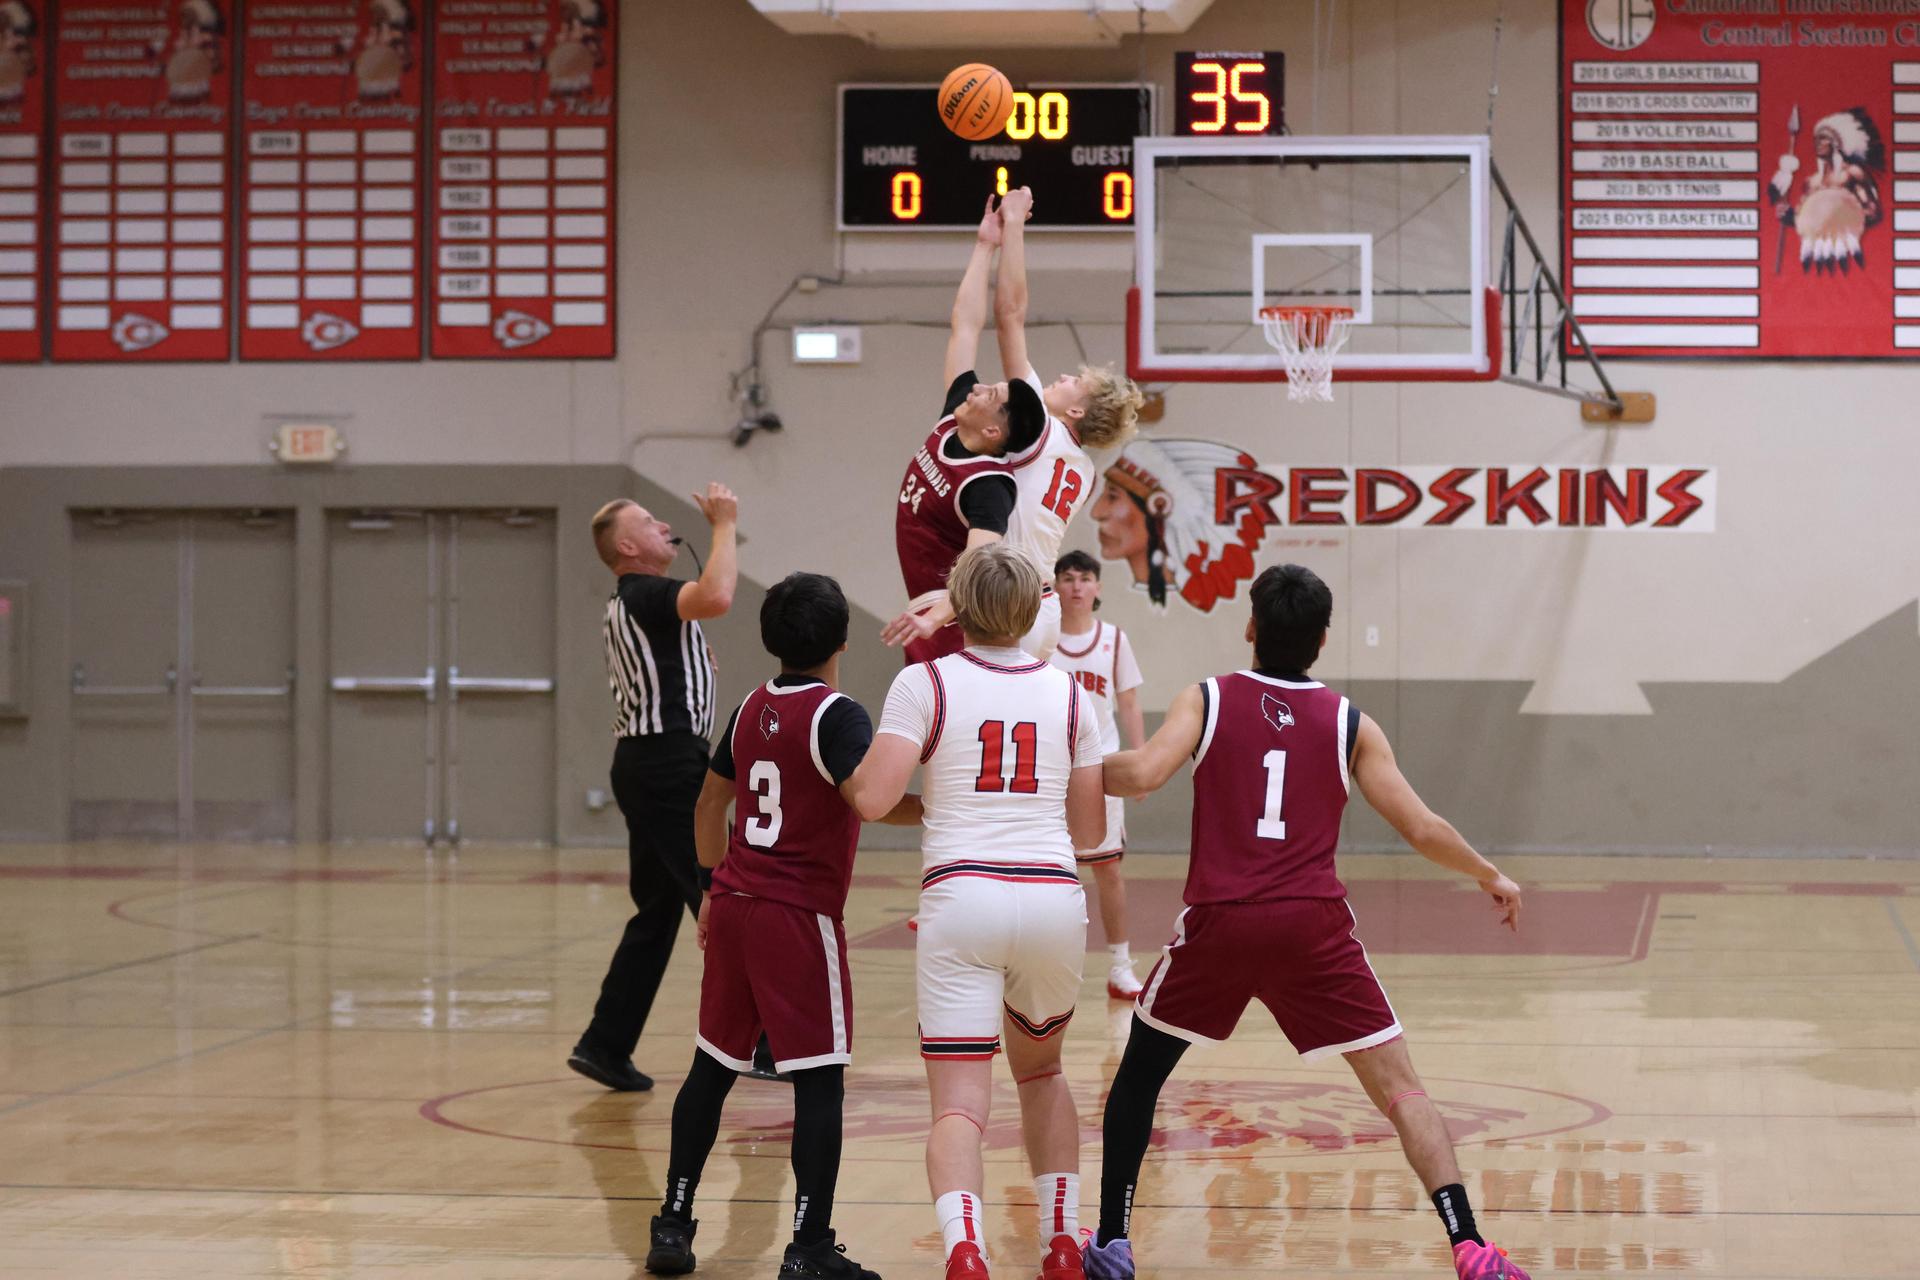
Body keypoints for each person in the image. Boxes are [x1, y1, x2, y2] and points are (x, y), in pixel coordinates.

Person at [1087, 564, 1533, 1280]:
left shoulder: (1207, 697)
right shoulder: (1351, 723)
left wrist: (1052, 761)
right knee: (1403, 1091)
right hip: (1312, 928)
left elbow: (1139, 774)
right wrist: (1489, 873)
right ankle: (1469, 1244)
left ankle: (1112, 1242)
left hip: (1221, 924)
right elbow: (1420, 825)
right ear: (1322, 640)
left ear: (1251, 626)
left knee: (1138, 1080)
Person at [645, 572, 918, 1280]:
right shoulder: (838, 715)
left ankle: (673, 1223)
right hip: (797, 917)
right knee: (820, 1082)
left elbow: (709, 805)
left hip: (736, 903)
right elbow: (871, 800)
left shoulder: (747, 708)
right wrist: (944, 804)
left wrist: (710, 887)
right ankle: (810, 1246)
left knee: (712, 1067)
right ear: (844, 641)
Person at [846, 542, 1105, 1280]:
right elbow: (1089, 831)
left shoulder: (925, 683)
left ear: (957, 607)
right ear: (1030, 612)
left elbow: (871, 799)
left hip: (962, 898)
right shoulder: (1070, 695)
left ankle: (966, 1251)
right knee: (1042, 1074)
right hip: (1051, 899)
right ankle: (1062, 1243)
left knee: (959, 1105)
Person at [884, 188, 1143, 664]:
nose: (1063, 377)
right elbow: (965, 328)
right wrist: (986, 245)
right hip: (1039, 606)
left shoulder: (1036, 425)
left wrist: (1016, 225)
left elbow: (1010, 316)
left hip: (1003, 601)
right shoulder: (1084, 472)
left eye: (1075, 382)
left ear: (1077, 412)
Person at [570, 486, 736, 1093]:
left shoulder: (638, 603)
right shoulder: (643, 593)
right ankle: (766, 1040)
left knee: (657, 913)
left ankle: (604, 1044)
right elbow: (716, 595)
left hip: (646, 765)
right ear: (627, 547)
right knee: (727, 894)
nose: (664, 524)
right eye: (648, 521)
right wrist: (724, 525)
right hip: (667, 765)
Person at [1046, 551, 1147, 999]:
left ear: (1098, 587)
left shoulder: (1114, 639)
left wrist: (1141, 761)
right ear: (1055, 586)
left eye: (1085, 578)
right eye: (1068, 578)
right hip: (1051, 769)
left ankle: (1121, 966)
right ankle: (1046, 963)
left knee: (1108, 871)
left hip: (1102, 768)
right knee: (1050, 871)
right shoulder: (1041, 640)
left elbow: (1129, 703)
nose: (1076, 586)